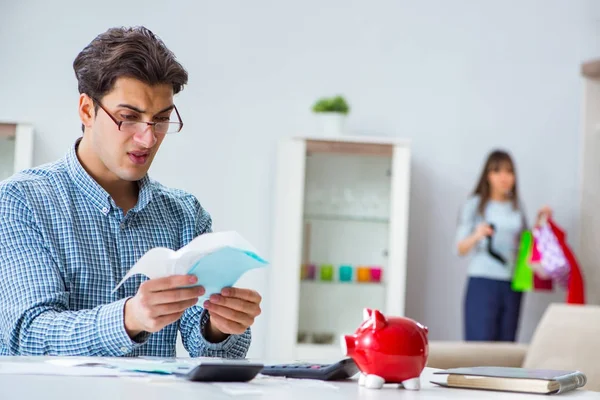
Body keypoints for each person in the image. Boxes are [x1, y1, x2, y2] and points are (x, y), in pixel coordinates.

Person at [0, 26, 262, 357]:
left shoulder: (184, 214)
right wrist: (129, 318)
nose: (147, 139)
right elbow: (27, 337)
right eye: (128, 118)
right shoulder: (21, 202)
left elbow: (209, 351)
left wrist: (220, 327)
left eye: (161, 120)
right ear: (86, 110)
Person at [455, 149, 551, 342]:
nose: (504, 177)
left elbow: (524, 244)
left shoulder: (516, 206)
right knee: (480, 343)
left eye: (509, 172)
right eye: (497, 171)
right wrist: (478, 234)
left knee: (506, 343)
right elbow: (459, 248)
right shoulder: (475, 204)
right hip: (483, 281)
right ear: (488, 175)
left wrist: (540, 222)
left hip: (511, 284)